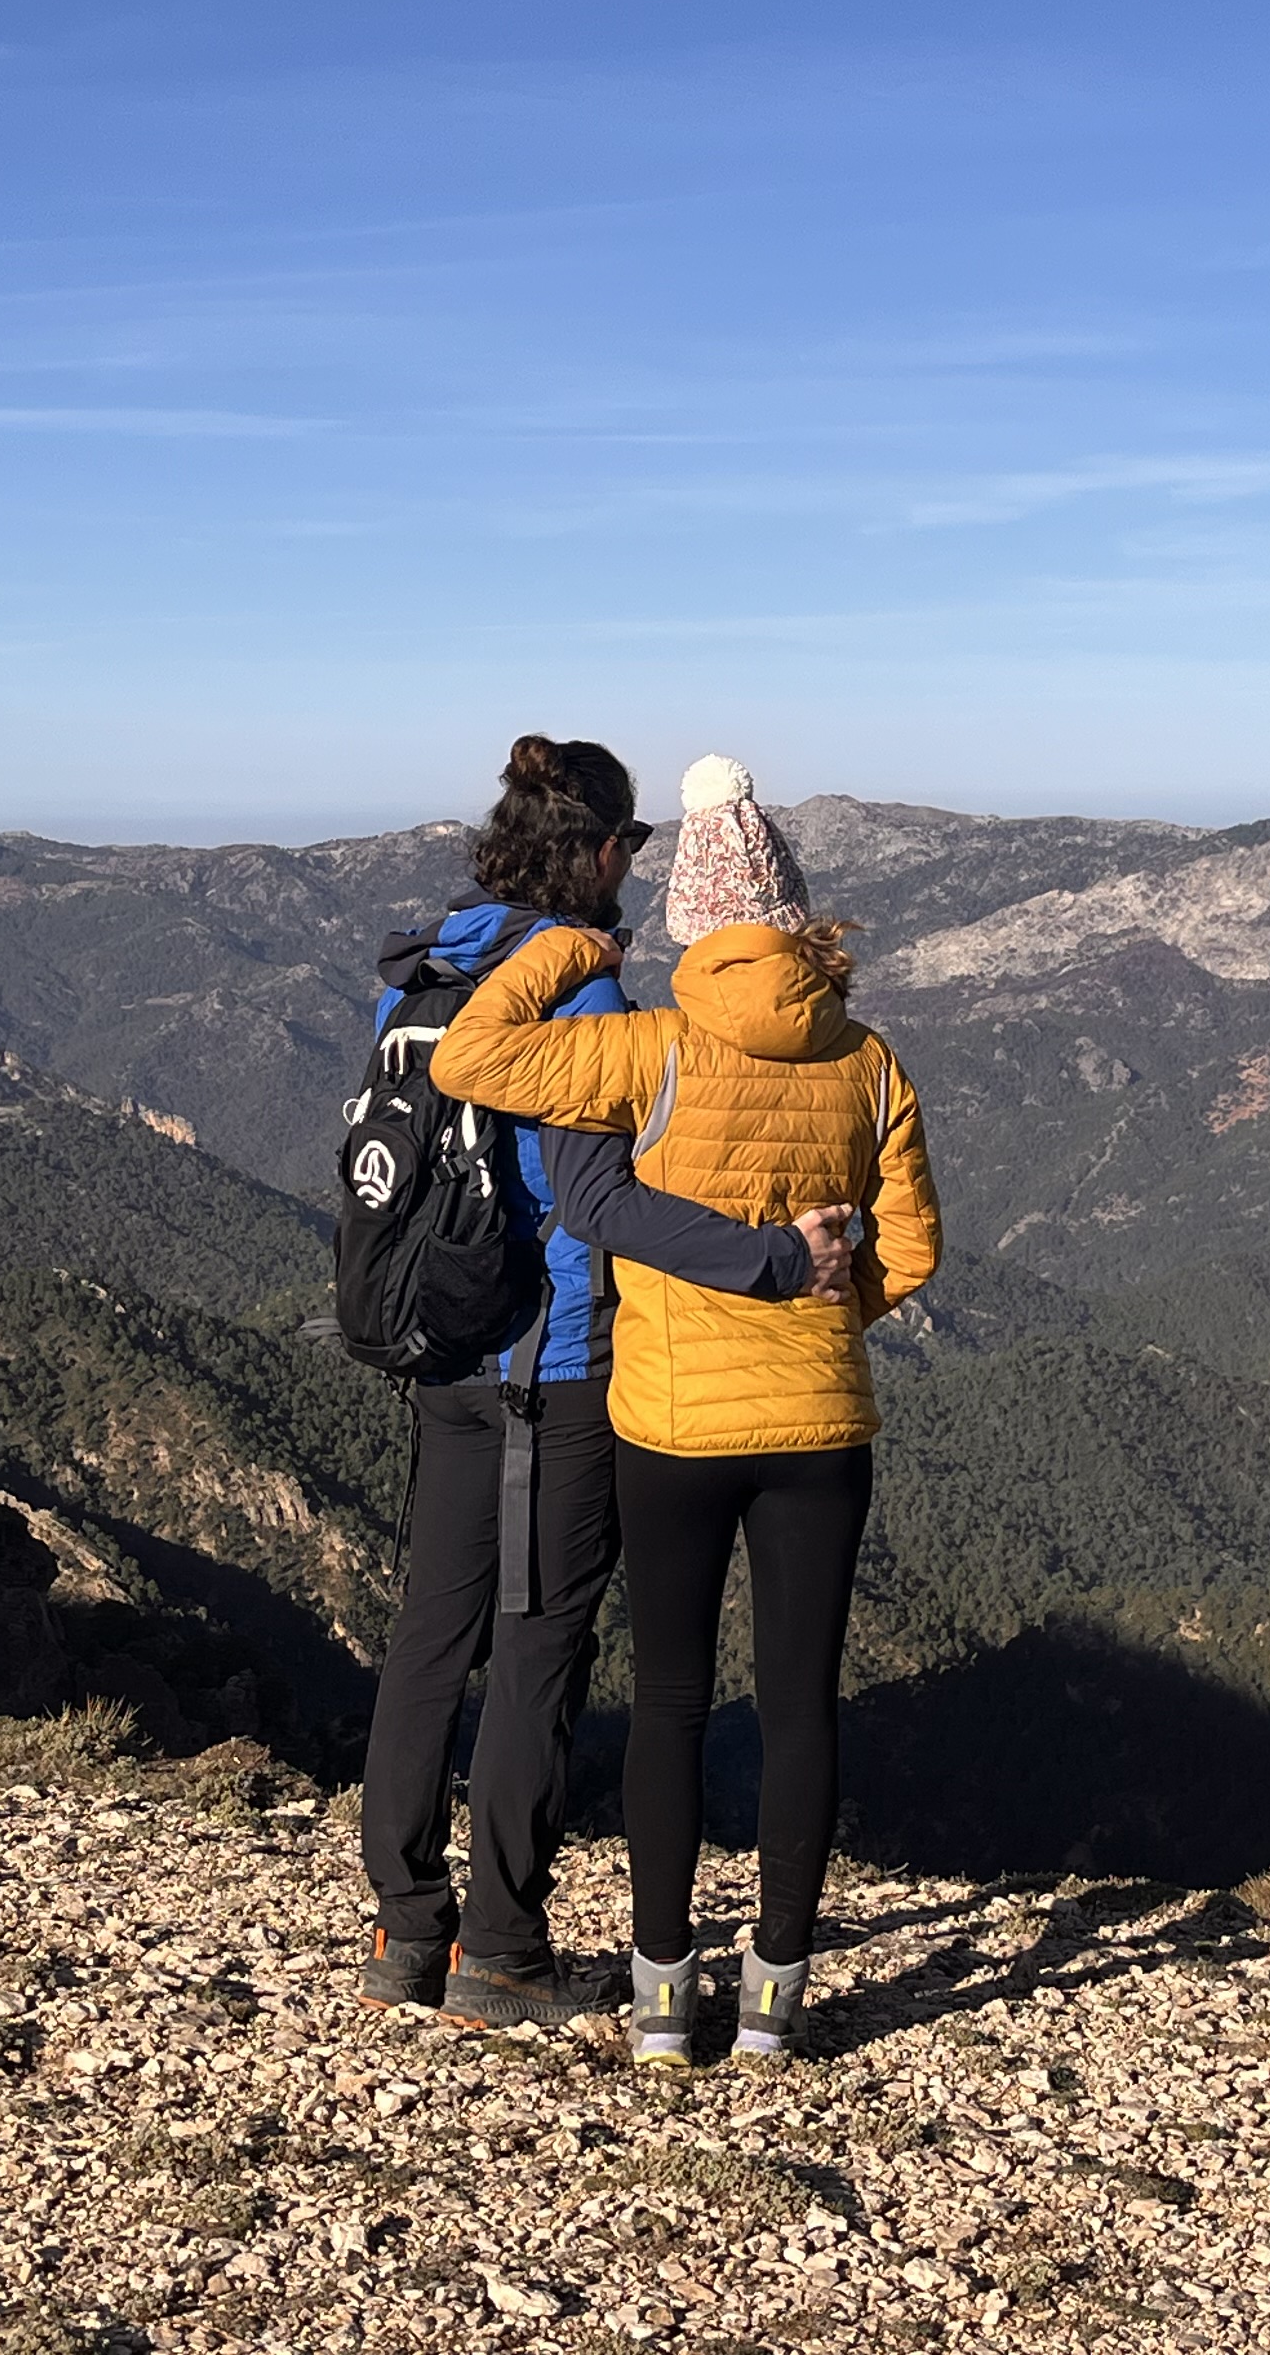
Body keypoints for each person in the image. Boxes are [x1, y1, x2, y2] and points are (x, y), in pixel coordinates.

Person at [427, 756, 942, 2064]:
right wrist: (825, 1318)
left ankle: (663, 1998)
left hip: (668, 1420)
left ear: (691, 926)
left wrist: (565, 948)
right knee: (801, 1705)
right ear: (798, 920)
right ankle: (773, 2001)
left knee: (668, 1702)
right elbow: (913, 1250)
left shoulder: (646, 1047)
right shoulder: (871, 1063)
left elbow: (473, 1058)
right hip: (821, 1426)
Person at [355, 735, 852, 2031]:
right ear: (602, 850)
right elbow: (593, 1199)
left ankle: (405, 1928)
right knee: (539, 1647)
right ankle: (502, 1950)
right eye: (631, 847)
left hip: (439, 1348)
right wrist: (765, 1260)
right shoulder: (580, 992)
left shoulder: (428, 967)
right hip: (557, 1357)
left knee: (430, 1635)